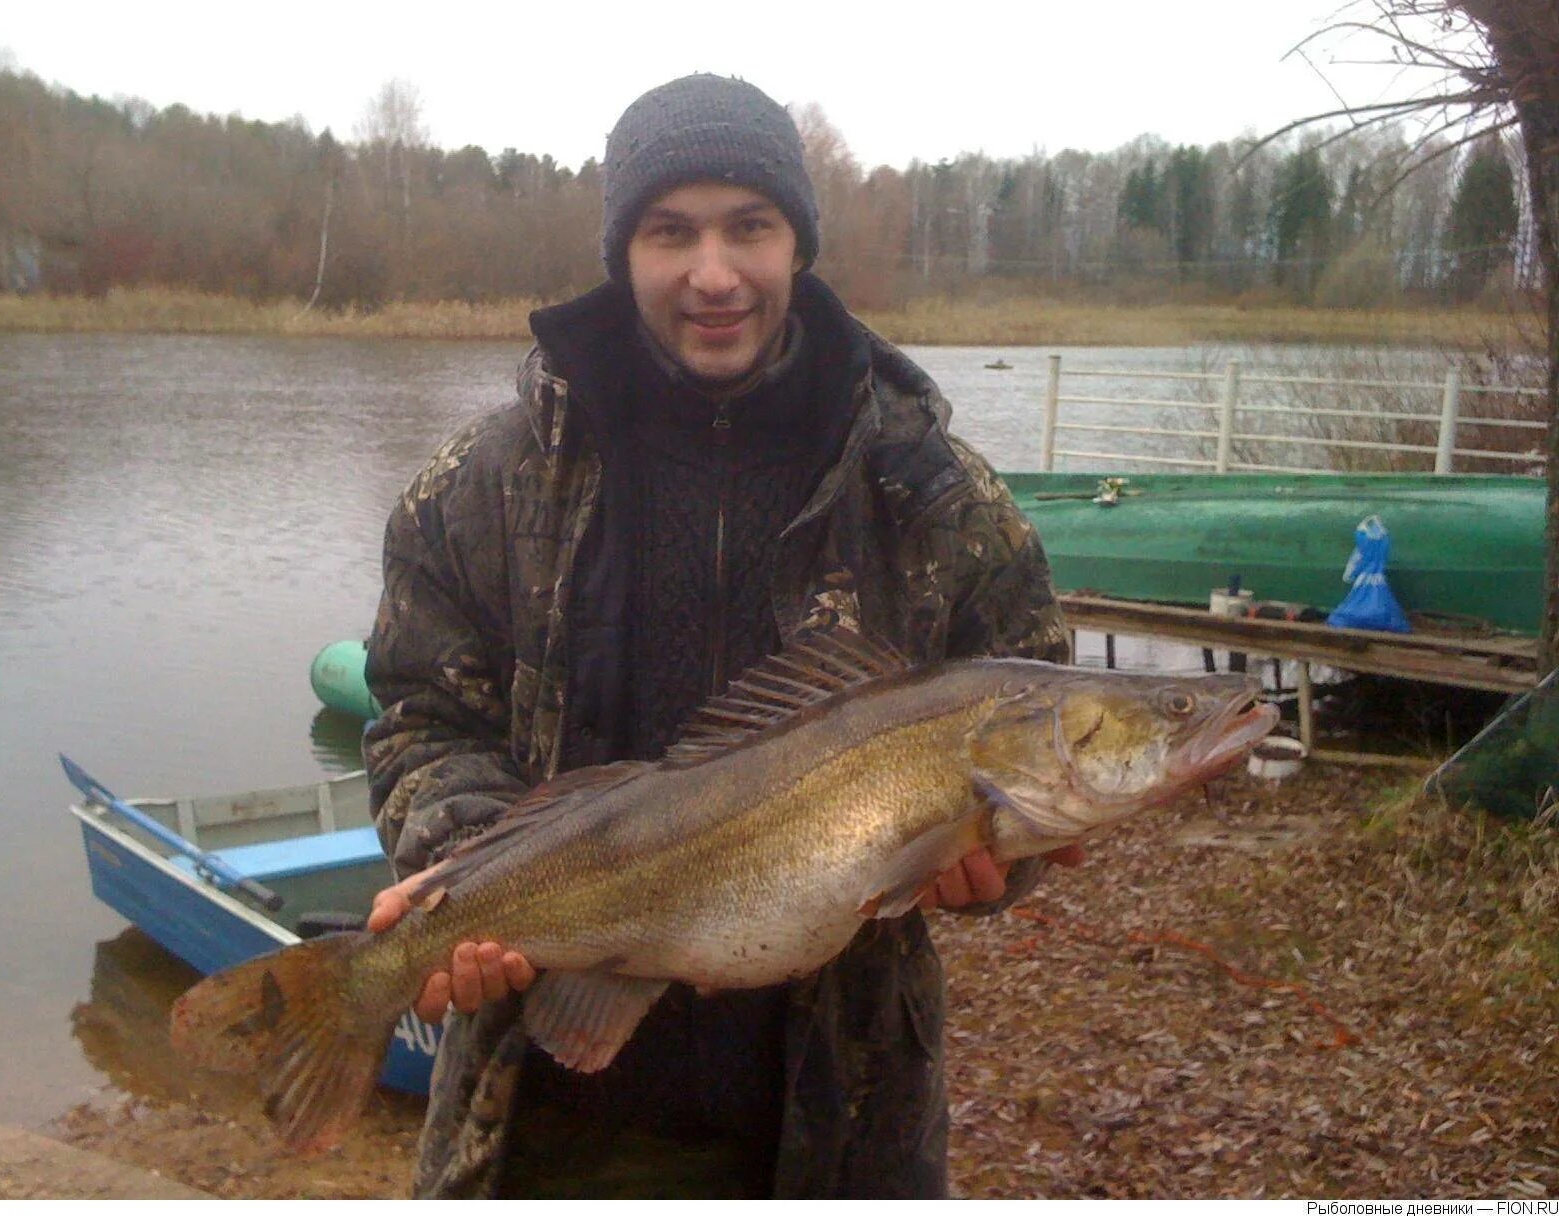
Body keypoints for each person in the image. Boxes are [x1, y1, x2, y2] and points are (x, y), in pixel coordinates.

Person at [361, 73, 1075, 1199]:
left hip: (843, 1125)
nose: (713, 273)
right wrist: (475, 857)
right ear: (621, 251)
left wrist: (996, 869)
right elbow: (418, 714)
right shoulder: (482, 485)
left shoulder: (934, 494)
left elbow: (1036, 728)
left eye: (750, 226)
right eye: (669, 231)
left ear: (797, 242)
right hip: (541, 1119)